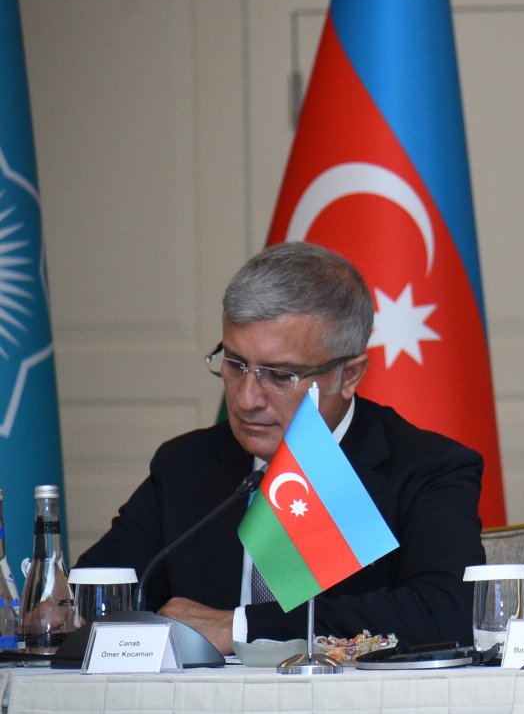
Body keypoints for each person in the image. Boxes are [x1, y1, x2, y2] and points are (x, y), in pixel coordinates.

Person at [76, 242, 485, 652]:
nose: (246, 400)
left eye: (280, 375)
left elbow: (446, 614)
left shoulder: (427, 469)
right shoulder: (185, 465)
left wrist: (241, 627)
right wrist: (59, 603)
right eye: (235, 364)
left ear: (349, 376)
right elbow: (98, 596)